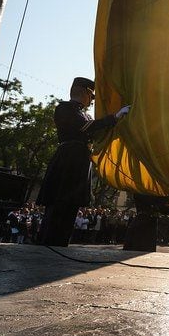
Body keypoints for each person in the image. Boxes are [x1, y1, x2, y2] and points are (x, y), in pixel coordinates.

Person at [37, 77, 129, 247]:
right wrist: (114, 117)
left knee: (72, 204)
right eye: (91, 96)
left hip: (79, 160)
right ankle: (48, 243)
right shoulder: (64, 108)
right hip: (67, 159)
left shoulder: (83, 114)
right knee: (59, 203)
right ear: (86, 92)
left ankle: (60, 243)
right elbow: (86, 127)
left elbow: (94, 130)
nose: (91, 100)